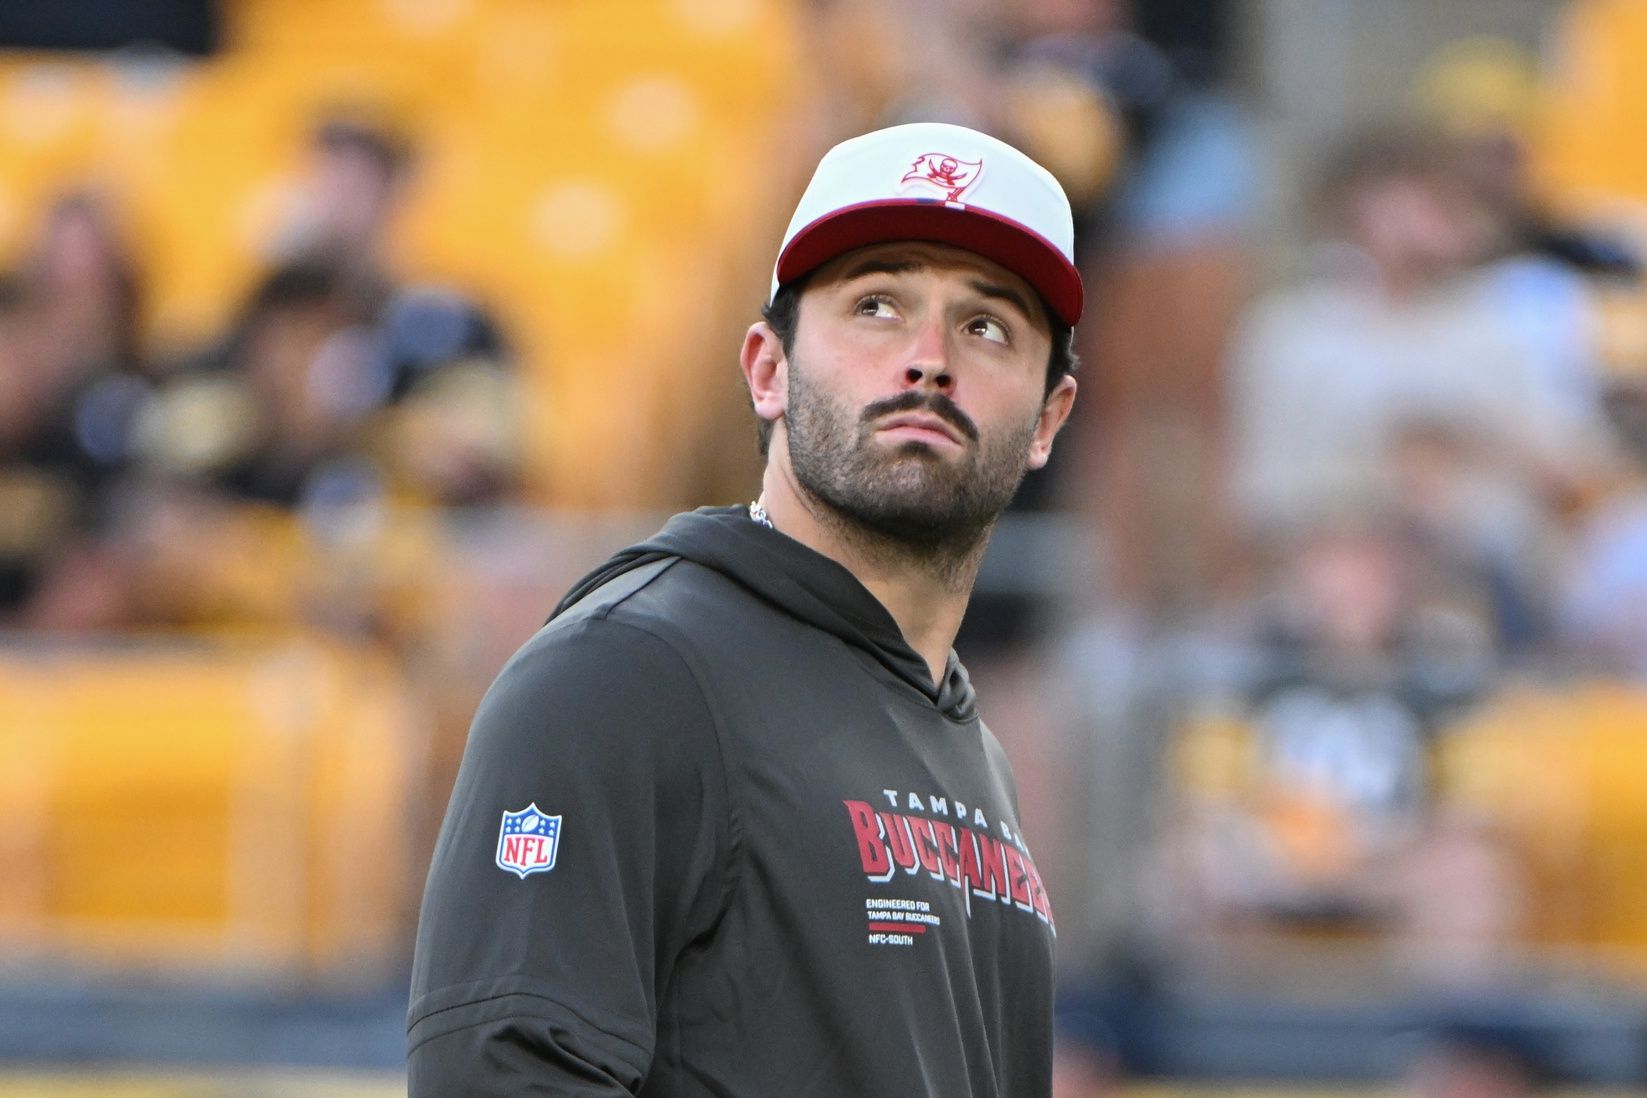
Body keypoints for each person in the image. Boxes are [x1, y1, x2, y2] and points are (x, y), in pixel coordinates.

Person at [407, 121, 1083, 1095]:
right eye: (878, 306)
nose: (930, 358)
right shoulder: (620, 679)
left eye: (987, 327)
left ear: (1048, 420)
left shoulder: (971, 752)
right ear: (768, 370)